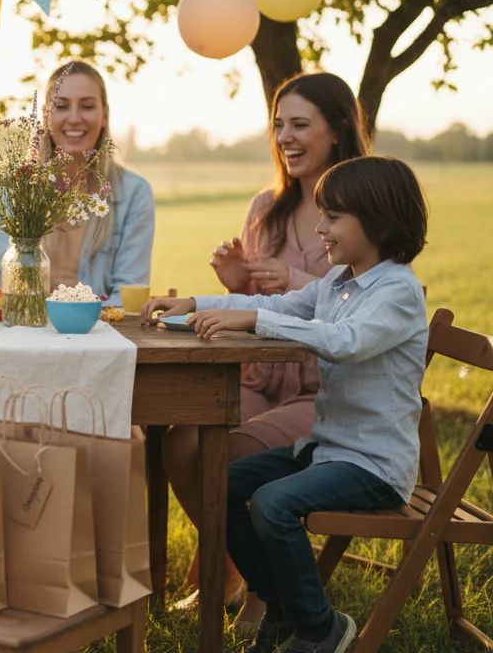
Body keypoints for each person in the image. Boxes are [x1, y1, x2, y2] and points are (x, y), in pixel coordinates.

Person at [141, 156, 429, 653]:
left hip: (374, 465)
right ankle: (277, 602)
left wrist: (251, 320)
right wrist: (195, 304)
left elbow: (345, 341)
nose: (321, 229)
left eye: (333, 217)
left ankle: (319, 627)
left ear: (378, 221)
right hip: (326, 448)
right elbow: (276, 306)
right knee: (220, 484)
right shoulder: (339, 283)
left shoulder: (398, 291)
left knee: (275, 503)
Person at [161, 72, 372, 623]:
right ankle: (238, 565)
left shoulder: (367, 207)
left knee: (224, 454)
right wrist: (236, 282)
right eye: (279, 125)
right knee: (180, 445)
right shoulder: (265, 206)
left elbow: (368, 309)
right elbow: (259, 309)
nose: (285, 137)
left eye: (300, 124)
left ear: (339, 130)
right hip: (257, 377)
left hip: (323, 391)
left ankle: (260, 590)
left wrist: (295, 278)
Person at [0, 60, 154, 302]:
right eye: (61, 106)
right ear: (45, 116)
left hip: (99, 333)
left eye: (87, 106)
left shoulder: (134, 193)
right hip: (24, 332)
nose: (74, 118)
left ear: (104, 116)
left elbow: (128, 294)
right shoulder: (13, 190)